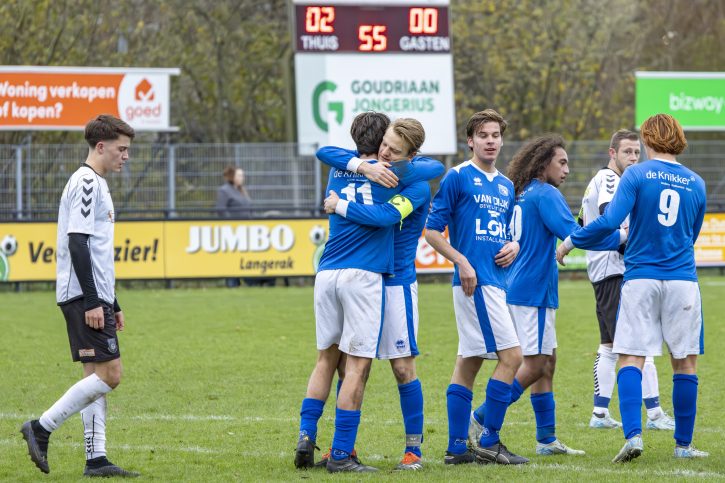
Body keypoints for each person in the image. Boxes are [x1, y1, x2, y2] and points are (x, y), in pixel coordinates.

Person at [294, 112, 441, 473]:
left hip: (396, 284)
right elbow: (329, 152)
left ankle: (413, 451)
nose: (387, 154)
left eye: (395, 150)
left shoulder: (412, 182)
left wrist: (340, 203)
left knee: (402, 367)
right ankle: (341, 450)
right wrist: (365, 166)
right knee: (351, 366)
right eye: (385, 145)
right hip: (368, 278)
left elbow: (428, 171)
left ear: (411, 153)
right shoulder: (367, 167)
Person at [557, 114, 708, 462]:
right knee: (685, 364)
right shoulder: (697, 182)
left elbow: (609, 222)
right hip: (683, 279)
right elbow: (692, 234)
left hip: (640, 276)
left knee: (630, 357)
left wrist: (570, 242)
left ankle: (634, 437)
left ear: (648, 139)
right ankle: (684, 446)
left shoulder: (637, 174)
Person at [20, 115, 139, 477]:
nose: (126, 156)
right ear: (100, 147)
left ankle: (96, 458)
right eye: (122, 149)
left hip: (93, 294)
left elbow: (99, 251)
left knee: (94, 374)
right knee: (111, 374)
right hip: (83, 295)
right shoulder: (87, 181)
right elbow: (78, 241)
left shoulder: (95, 182)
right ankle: (41, 427)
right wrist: (92, 300)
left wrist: (112, 302)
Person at [504, 134, 624, 458]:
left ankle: (546, 440)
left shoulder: (522, 193)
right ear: (544, 164)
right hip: (534, 291)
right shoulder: (546, 194)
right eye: (562, 162)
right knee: (535, 363)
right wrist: (621, 238)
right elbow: (576, 235)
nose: (567, 170)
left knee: (547, 363)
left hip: (519, 287)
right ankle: (484, 421)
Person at [425, 109, 528, 465]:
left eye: (496, 135)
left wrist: (514, 245)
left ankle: (456, 449)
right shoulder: (457, 177)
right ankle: (489, 441)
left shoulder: (505, 185)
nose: (490, 141)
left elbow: (508, 232)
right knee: (513, 357)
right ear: (470, 140)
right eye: (483, 135)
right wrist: (462, 261)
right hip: (475, 282)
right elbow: (432, 231)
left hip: (495, 281)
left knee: (468, 362)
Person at [578, 129, 675, 431]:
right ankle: (655, 414)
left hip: (606, 271)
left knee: (610, 345)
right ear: (612, 153)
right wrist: (639, 236)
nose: (633, 158)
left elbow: (584, 223)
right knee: (639, 343)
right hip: (616, 271)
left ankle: (599, 413)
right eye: (627, 152)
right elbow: (609, 220)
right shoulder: (610, 180)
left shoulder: (609, 180)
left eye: (637, 152)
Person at [216, 166, 254, 287]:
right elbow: (221, 210)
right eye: (239, 175)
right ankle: (232, 282)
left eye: (242, 175)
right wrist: (232, 223)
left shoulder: (242, 191)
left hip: (245, 230)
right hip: (232, 232)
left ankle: (243, 281)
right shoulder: (224, 191)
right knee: (232, 258)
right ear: (232, 177)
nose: (242, 178)